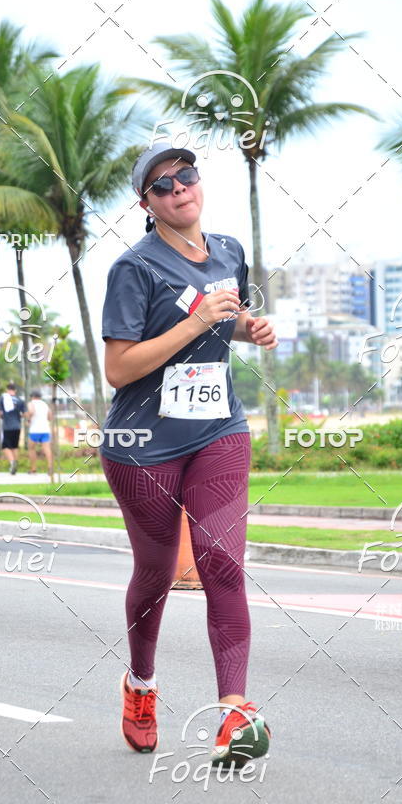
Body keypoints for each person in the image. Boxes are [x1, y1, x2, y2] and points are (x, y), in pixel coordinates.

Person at [101, 142, 278, 765]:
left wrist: (243, 327)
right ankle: (141, 683)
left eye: (187, 175)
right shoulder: (134, 268)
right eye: (163, 184)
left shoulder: (228, 250)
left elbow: (222, 318)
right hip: (143, 446)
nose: (180, 188)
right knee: (155, 574)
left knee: (221, 562)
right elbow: (119, 368)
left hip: (218, 431)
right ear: (146, 204)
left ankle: (235, 713)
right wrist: (199, 323)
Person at [0, 381, 25, 474]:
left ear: (7, 390)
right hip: (17, 426)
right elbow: (24, 414)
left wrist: (3, 417)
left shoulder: (3, 398)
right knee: (14, 447)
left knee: (5, 446)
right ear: (15, 390)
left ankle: (12, 462)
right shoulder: (20, 400)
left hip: (7, 426)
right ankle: (15, 464)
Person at [26, 389, 53, 475]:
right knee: (47, 449)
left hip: (35, 430)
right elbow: (50, 416)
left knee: (31, 449)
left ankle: (33, 469)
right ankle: (50, 467)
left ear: (32, 397)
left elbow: (31, 411)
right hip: (45, 429)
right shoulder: (45, 404)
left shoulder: (31, 403)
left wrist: (29, 419)